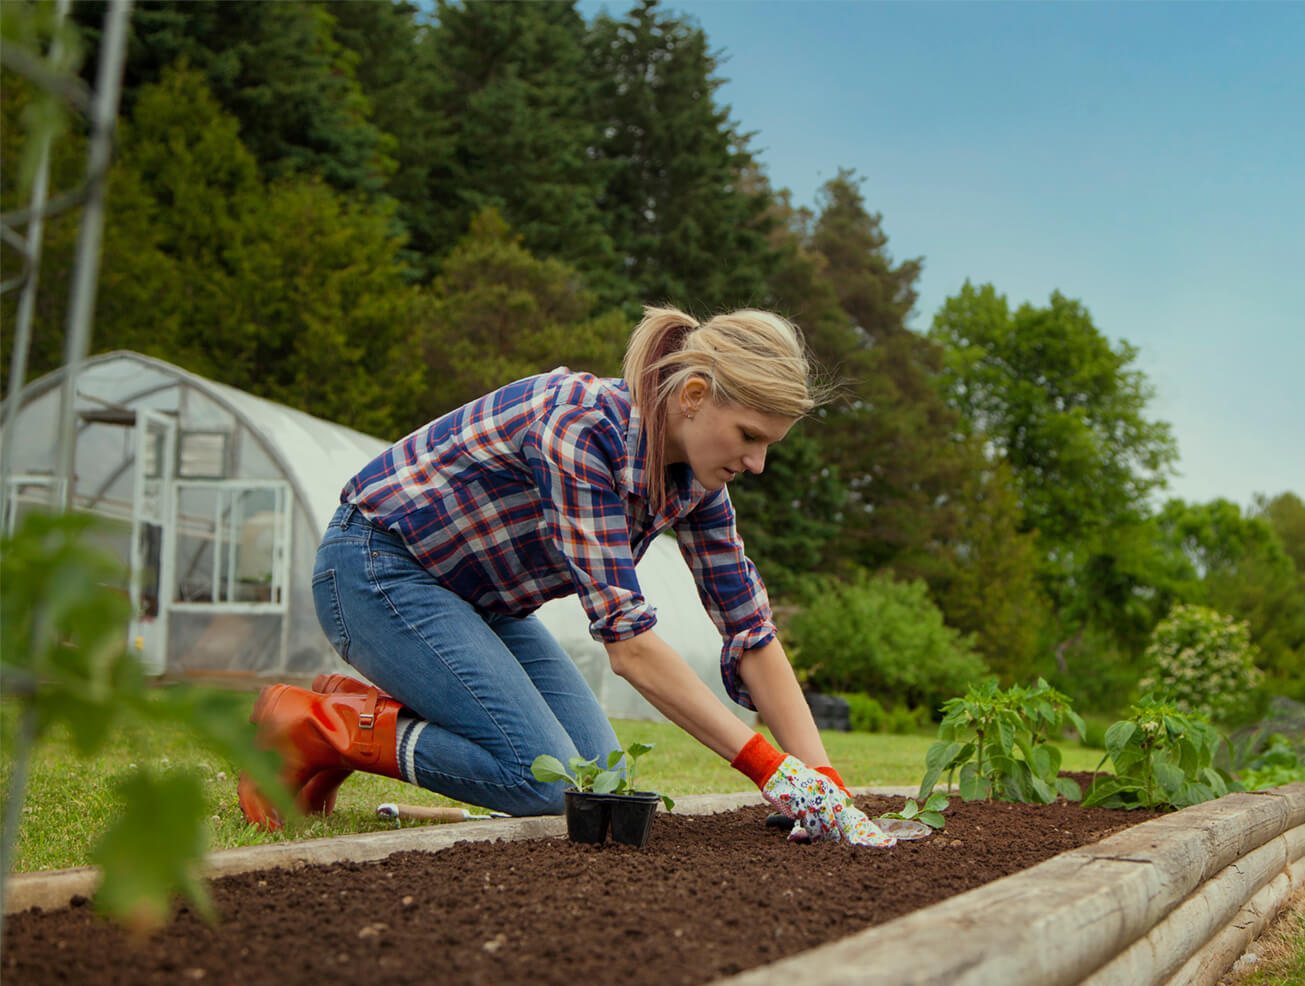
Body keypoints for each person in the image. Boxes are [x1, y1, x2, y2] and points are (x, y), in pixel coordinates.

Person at [236, 306, 894, 846]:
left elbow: (751, 632)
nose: (758, 463)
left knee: (602, 787)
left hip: (479, 605)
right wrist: (771, 771)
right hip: (377, 570)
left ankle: (342, 733)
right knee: (542, 781)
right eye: (750, 436)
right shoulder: (579, 425)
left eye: (769, 445)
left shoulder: (696, 484)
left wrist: (822, 780)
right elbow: (630, 647)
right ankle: (322, 728)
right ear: (693, 397)